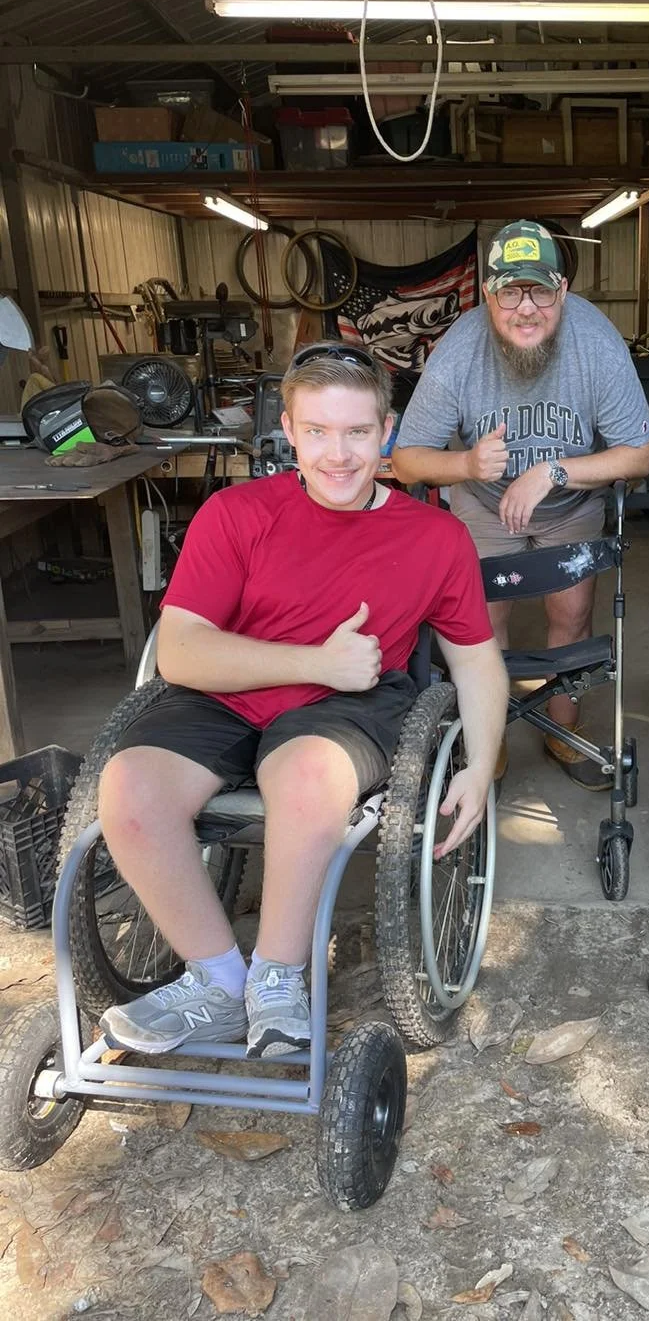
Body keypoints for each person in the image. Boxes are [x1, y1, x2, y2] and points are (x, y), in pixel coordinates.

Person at [96, 342, 508, 1057]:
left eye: (356, 432)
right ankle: (221, 979)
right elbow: (182, 650)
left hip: (352, 707)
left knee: (306, 775)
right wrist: (316, 659)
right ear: (287, 429)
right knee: (129, 786)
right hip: (234, 689)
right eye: (317, 431)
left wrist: (481, 764)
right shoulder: (236, 513)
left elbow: (477, 661)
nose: (338, 454)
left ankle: (278, 975)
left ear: (387, 432)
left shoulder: (437, 537)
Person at [393, 219, 649, 790]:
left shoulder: (595, 341)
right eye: (511, 291)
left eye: (540, 290)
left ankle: (562, 733)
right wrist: (465, 465)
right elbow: (408, 459)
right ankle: (490, 742)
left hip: (570, 505)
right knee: (482, 626)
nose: (526, 308)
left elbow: (642, 453)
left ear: (562, 290)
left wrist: (555, 470)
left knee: (572, 618)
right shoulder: (460, 349)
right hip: (484, 504)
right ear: (489, 294)